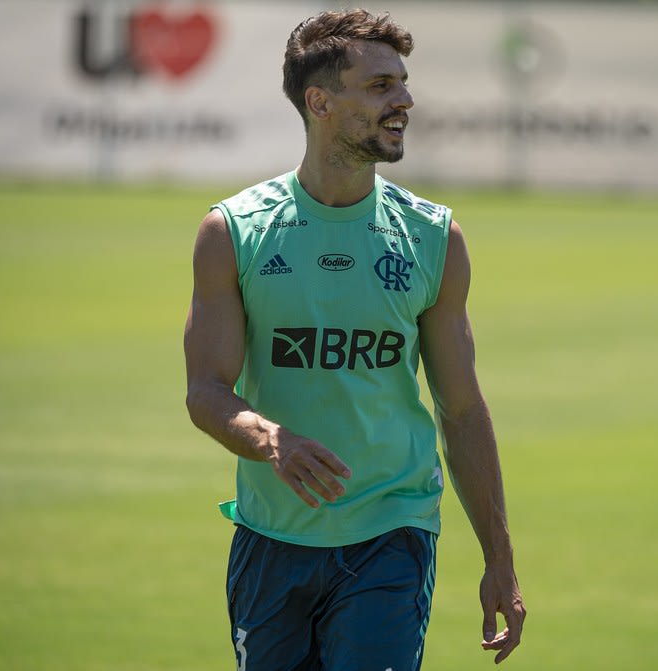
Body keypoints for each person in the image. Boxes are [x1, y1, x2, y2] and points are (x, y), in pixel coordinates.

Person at [183, 8, 525, 669]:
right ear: (320, 102)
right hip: (271, 535)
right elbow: (205, 392)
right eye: (379, 87)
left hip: (390, 532)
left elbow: (461, 408)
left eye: (402, 83)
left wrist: (499, 558)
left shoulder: (433, 237)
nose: (404, 100)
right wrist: (269, 437)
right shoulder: (234, 233)